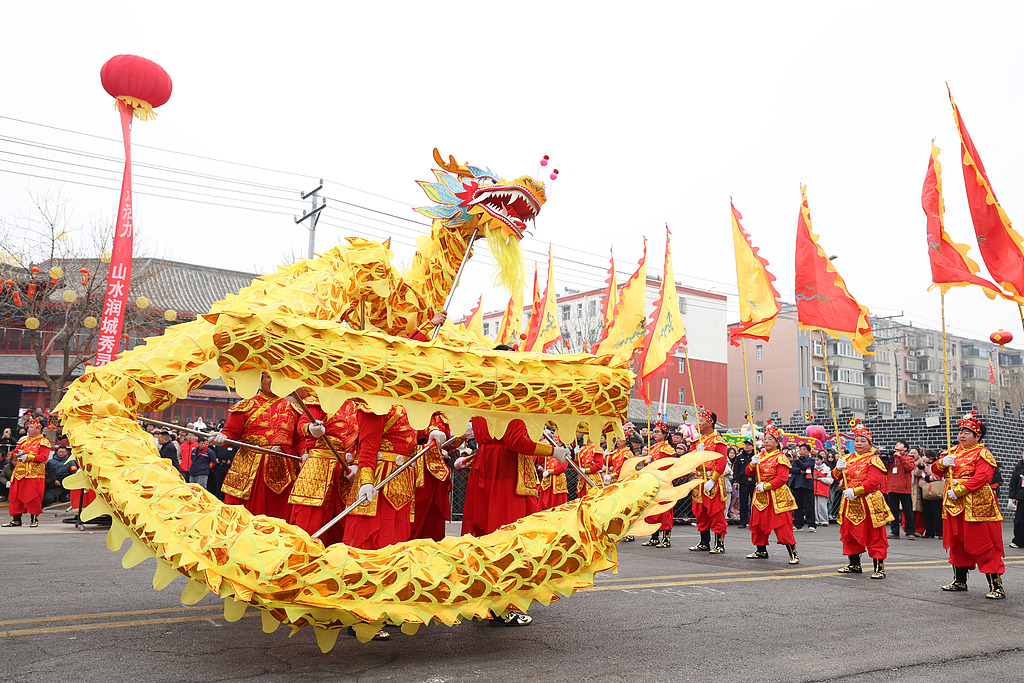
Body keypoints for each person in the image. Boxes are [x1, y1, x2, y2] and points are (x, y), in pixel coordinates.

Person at [456, 415, 569, 628]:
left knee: (487, 538)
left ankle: (484, 598)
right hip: (507, 474)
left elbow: (492, 440)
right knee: (509, 539)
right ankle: (503, 607)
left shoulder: (481, 407)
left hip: (489, 468)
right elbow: (515, 441)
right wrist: (551, 451)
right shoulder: (512, 406)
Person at [929, 411, 1005, 599]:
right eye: (960, 431)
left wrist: (960, 489)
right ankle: (959, 580)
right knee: (957, 542)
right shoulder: (952, 451)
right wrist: (941, 463)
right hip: (954, 504)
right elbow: (935, 471)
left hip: (976, 503)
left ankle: (996, 585)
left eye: (967, 432)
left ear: (977, 436)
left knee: (983, 543)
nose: (961, 435)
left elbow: (983, 477)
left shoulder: (982, 453)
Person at [213, 374, 300, 520]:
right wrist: (222, 438)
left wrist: (304, 454)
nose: (273, 381)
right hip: (248, 467)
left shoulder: (293, 409)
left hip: (281, 470)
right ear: (260, 380)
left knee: (278, 518)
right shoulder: (246, 405)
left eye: (277, 377)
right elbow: (230, 433)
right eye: (268, 377)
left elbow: (299, 442)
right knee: (241, 517)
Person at [289, 398, 358, 546]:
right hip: (318, 469)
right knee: (309, 524)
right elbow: (303, 425)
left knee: (342, 527)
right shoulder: (320, 397)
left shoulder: (360, 404)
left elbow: (367, 439)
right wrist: (311, 428)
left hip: (346, 472)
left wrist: (358, 463)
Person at [833, 420, 893, 579]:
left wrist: (856, 490)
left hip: (868, 501)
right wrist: (838, 468)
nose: (859, 443)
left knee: (875, 534)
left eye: (863, 441)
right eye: (856, 440)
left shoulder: (873, 459)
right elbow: (836, 476)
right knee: (849, 533)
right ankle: (854, 563)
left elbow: (873, 481)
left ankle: (879, 567)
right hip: (850, 501)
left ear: (870, 444)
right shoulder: (848, 458)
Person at [745, 422, 799, 564]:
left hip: (776, 495)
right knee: (758, 523)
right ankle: (761, 550)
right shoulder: (759, 456)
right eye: (764, 439)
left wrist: (767, 486)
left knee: (782, 525)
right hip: (761, 495)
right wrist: (752, 463)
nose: (766, 441)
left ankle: (793, 553)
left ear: (776, 442)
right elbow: (748, 472)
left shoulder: (780, 457)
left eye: (770, 439)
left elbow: (782, 478)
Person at [687, 407, 729, 554]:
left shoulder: (719, 441)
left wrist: (713, 479)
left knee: (716, 512)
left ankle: (719, 544)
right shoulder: (697, 441)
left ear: (710, 423)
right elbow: (689, 459)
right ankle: (704, 541)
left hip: (712, 481)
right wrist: (695, 452)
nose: (699, 423)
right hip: (699, 480)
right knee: (700, 512)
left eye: (702, 421)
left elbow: (721, 462)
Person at [410, 412, 456, 542]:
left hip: (436, 468)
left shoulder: (442, 414)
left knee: (434, 518)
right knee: (416, 514)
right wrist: (430, 430)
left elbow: (446, 443)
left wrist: (458, 437)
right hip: (417, 465)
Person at [2, 419, 51, 528]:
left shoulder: (43, 442)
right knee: (15, 496)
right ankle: (16, 519)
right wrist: (17, 455)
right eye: (28, 427)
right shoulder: (24, 441)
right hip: (19, 473)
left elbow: (43, 457)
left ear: (39, 429)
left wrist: (28, 457)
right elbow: (14, 453)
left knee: (33, 496)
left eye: (31, 427)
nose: (28, 429)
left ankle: (34, 519)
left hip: (34, 473)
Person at [641, 421, 677, 548]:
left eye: (657, 431)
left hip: (664, 483)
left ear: (665, 434)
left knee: (665, 511)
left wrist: (655, 465)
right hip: (653, 483)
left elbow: (668, 465)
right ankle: (654, 537)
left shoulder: (668, 449)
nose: (654, 434)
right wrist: (647, 462)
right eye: (654, 431)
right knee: (653, 510)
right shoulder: (653, 448)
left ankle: (666, 538)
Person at [885, 439, 916, 540]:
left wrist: (900, 457)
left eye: (900, 444)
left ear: (905, 448)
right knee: (893, 511)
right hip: (892, 487)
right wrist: (884, 459)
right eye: (896, 444)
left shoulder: (908, 458)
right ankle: (894, 532)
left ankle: (910, 532)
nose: (897, 445)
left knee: (908, 511)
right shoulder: (892, 457)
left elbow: (909, 468)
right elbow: (884, 470)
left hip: (904, 488)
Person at [916, 449, 943, 539]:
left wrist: (927, 477)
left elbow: (936, 476)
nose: (924, 457)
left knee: (937, 511)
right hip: (925, 489)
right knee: (926, 511)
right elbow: (917, 474)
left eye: (925, 456)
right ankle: (929, 531)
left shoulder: (937, 464)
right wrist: (921, 466)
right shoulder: (923, 465)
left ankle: (939, 532)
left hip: (935, 489)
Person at [790, 443, 817, 532]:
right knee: (798, 506)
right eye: (800, 449)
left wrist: (797, 460)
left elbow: (805, 467)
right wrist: (800, 471)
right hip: (796, 485)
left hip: (806, 486)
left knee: (809, 506)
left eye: (804, 449)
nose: (801, 451)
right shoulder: (795, 460)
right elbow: (791, 469)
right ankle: (798, 525)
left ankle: (812, 524)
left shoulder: (811, 460)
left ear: (808, 451)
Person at [733, 438, 756, 529]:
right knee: (743, 502)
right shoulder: (739, 457)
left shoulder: (756, 456)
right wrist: (735, 481)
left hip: (754, 481)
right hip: (743, 481)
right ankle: (743, 521)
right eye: (745, 444)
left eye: (749, 445)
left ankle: (753, 521)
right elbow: (736, 470)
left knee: (754, 502)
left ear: (753, 446)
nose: (747, 446)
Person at [812, 453, 833, 527]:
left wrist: (821, 479)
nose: (816, 461)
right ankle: (816, 520)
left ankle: (824, 520)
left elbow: (830, 480)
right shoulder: (812, 468)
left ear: (822, 460)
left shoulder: (826, 469)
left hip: (823, 490)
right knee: (814, 506)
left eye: (818, 460)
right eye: (815, 460)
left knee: (822, 506)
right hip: (813, 489)